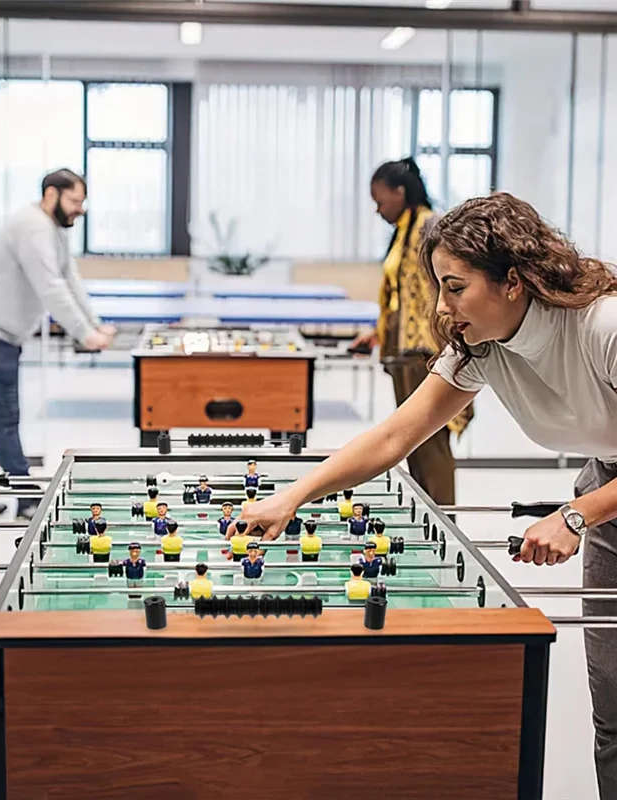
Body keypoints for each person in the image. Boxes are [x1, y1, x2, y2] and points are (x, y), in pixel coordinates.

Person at [236, 192, 617, 799]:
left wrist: (576, 515)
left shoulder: (603, 324)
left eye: (455, 286)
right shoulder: (482, 345)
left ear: (513, 282)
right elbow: (393, 436)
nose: (442, 306)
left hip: (600, 500)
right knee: (614, 712)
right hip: (608, 489)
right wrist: (293, 496)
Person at [0, 169, 115, 518]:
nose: (80, 209)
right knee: (4, 417)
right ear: (51, 194)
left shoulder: (51, 228)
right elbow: (50, 286)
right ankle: (26, 501)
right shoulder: (32, 227)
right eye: (74, 200)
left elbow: (69, 277)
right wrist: (84, 334)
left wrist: (96, 324)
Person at [353, 157, 472, 505]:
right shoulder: (403, 231)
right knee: (412, 448)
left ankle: (448, 533)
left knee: (432, 450)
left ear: (400, 192)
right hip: (404, 352)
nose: (377, 209)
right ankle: (428, 526)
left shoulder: (429, 228)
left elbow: (447, 291)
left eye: (380, 200)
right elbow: (402, 294)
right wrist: (377, 335)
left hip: (428, 354)